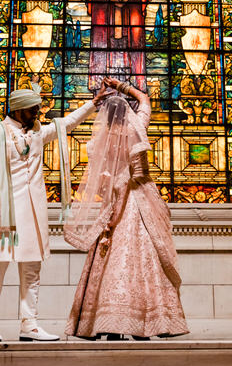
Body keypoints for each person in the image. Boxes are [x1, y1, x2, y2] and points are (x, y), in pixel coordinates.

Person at [0, 86, 105, 342]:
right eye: (33, 107)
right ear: (18, 108)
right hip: (5, 212)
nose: (38, 111)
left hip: (33, 211)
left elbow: (68, 123)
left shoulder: (38, 132)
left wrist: (94, 103)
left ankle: (29, 324)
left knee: (32, 269)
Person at [64, 77, 188, 340]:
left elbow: (99, 179)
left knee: (110, 257)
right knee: (146, 257)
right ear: (128, 114)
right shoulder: (139, 126)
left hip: (115, 200)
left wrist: (110, 197)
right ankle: (154, 322)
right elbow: (145, 99)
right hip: (141, 198)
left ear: (107, 118)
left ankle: (107, 323)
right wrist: (121, 85)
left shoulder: (103, 139)